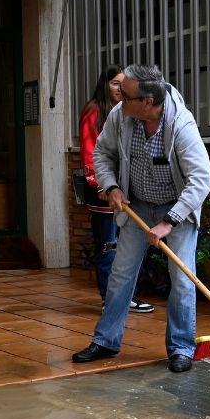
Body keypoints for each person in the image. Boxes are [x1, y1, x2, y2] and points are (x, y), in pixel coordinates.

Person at [72, 64, 210, 373]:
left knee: (182, 279)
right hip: (136, 205)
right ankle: (106, 341)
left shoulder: (181, 126)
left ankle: (180, 348)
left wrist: (169, 222)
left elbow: (201, 179)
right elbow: (102, 155)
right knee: (121, 275)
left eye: (127, 95)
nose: (120, 100)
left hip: (177, 209)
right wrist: (112, 186)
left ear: (148, 102)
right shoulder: (121, 116)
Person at [78, 65, 154, 314]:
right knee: (108, 245)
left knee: (128, 246)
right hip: (103, 190)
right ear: (104, 85)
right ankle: (109, 300)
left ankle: (126, 298)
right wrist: (102, 185)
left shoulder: (126, 111)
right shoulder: (94, 111)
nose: (119, 89)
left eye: (123, 85)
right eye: (114, 84)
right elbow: (92, 153)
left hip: (126, 189)